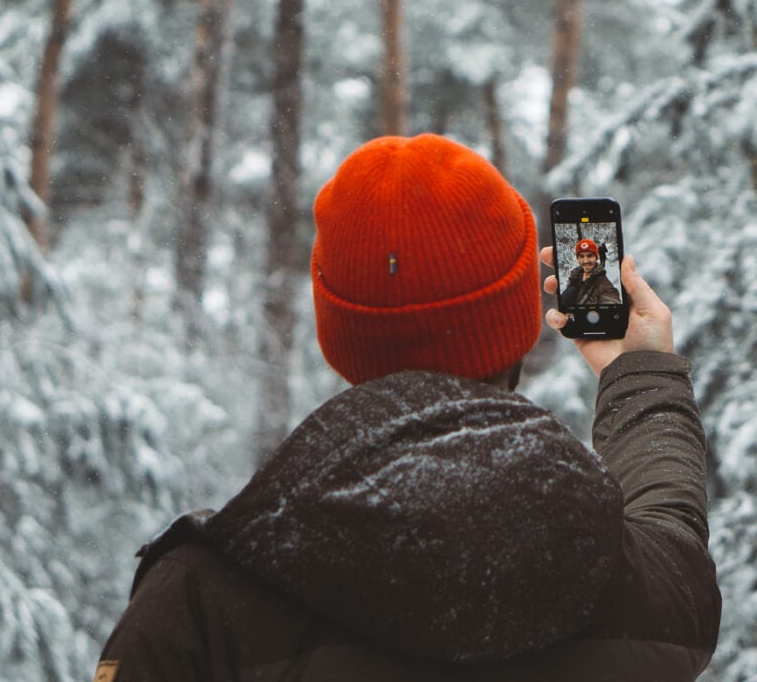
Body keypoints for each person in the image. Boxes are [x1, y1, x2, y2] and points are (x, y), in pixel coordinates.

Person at [93, 133, 719, 681]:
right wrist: (637, 374)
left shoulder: (200, 604)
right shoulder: (635, 587)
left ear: (338, 338)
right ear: (515, 331)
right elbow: (672, 535)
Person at [560, 237, 622, 307]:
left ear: (596, 257)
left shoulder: (603, 283)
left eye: (590, 256)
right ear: (578, 258)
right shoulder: (574, 276)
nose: (585, 261)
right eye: (581, 256)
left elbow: (611, 298)